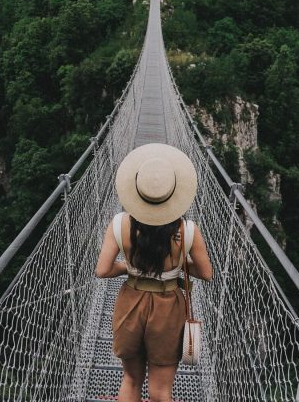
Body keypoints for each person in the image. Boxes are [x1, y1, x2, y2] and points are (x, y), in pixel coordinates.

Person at [96, 143, 213, 402]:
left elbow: (102, 270)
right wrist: (178, 264)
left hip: (130, 304)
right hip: (168, 307)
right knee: (161, 392)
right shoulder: (189, 231)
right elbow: (206, 273)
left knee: (130, 380)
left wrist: (128, 267)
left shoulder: (119, 225)